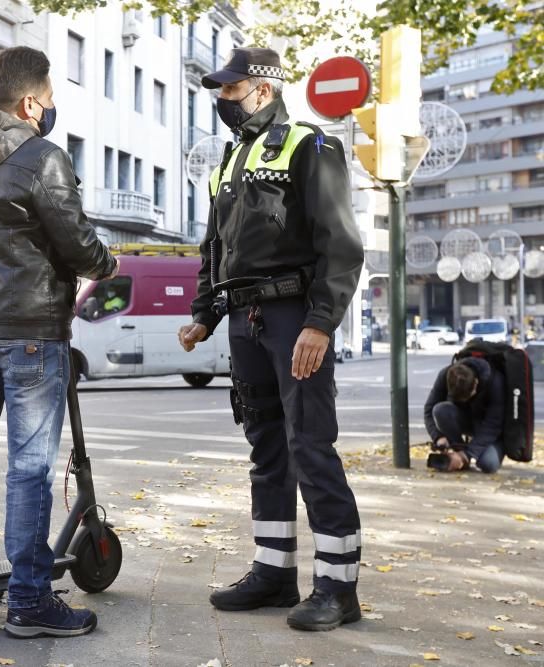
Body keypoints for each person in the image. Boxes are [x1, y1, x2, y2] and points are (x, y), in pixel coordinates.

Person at [178, 48, 365, 631]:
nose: (220, 100)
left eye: (230, 91)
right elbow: (215, 250)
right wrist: (204, 314)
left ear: (262, 89)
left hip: (293, 317)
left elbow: (340, 242)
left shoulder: (310, 145)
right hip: (246, 321)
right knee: (266, 449)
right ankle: (274, 573)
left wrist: (319, 322)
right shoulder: (229, 162)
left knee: (310, 445)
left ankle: (338, 587)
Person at [0, 46, 118, 639]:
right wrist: (106, 261)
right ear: (31, 102)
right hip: (32, 334)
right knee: (30, 468)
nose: (52, 112)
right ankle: (30, 598)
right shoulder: (43, 158)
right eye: (52, 101)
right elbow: (78, 245)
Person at [423, 357, 505, 473]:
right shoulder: (445, 375)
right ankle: (458, 452)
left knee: (488, 464)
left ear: (476, 382)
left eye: (468, 396)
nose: (465, 401)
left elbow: (494, 425)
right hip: (467, 419)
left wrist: (468, 454)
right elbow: (429, 410)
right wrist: (438, 437)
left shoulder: (495, 382)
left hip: (491, 429)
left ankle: (463, 456)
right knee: (440, 410)